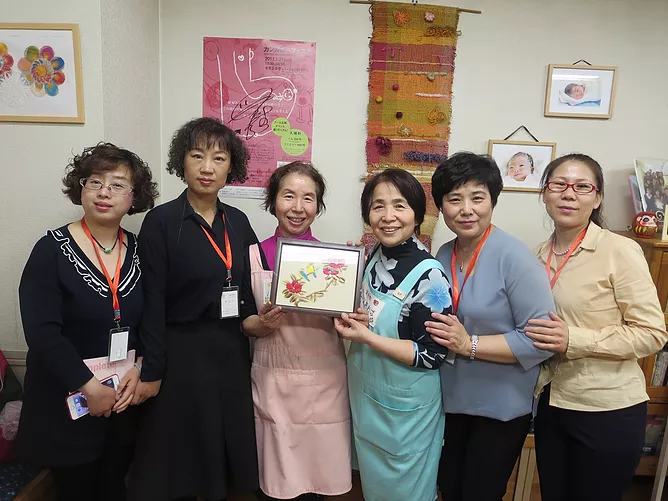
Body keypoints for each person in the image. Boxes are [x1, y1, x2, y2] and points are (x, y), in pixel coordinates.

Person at [128, 117, 282, 501]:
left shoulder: (239, 222)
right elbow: (152, 301)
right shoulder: (161, 222)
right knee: (177, 452)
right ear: (182, 162)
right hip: (179, 352)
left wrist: (259, 320)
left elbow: (247, 290)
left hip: (229, 350)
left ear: (232, 167)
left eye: (219, 158)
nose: (207, 167)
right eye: (197, 156)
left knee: (220, 446)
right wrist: (152, 368)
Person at [17, 143, 158, 501]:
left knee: (115, 486)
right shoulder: (50, 250)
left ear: (134, 196)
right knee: (77, 490)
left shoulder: (141, 251)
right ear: (80, 189)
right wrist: (89, 387)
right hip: (67, 403)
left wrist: (142, 368)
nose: (104, 192)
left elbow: (154, 319)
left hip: (123, 398)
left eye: (117, 184)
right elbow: (42, 332)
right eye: (94, 181)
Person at [524, 153, 668, 501]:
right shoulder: (535, 256)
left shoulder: (620, 250)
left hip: (607, 409)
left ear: (598, 197)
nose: (568, 194)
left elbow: (652, 333)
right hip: (551, 403)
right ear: (545, 193)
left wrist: (573, 338)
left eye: (582, 187)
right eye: (559, 184)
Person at [425, 152, 555, 501]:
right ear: (441, 206)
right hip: (449, 400)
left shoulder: (516, 258)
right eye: (454, 199)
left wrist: (469, 344)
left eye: (477, 198)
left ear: (493, 201)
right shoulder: (443, 254)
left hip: (499, 408)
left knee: (479, 493)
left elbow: (540, 340)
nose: (466, 210)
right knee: (449, 488)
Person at [333, 168, 452, 501]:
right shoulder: (375, 254)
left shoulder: (430, 277)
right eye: (378, 206)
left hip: (406, 412)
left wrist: (367, 337)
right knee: (374, 487)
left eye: (399, 206)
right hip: (369, 396)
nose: (388, 217)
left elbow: (433, 355)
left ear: (417, 215)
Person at [249, 161, 352, 501]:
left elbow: (349, 325)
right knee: (277, 481)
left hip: (325, 383)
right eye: (288, 196)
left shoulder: (337, 262)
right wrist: (261, 324)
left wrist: (352, 303)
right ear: (272, 201)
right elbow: (242, 321)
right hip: (273, 380)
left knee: (319, 480)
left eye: (308, 198)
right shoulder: (253, 255)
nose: (297, 207)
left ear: (318, 206)